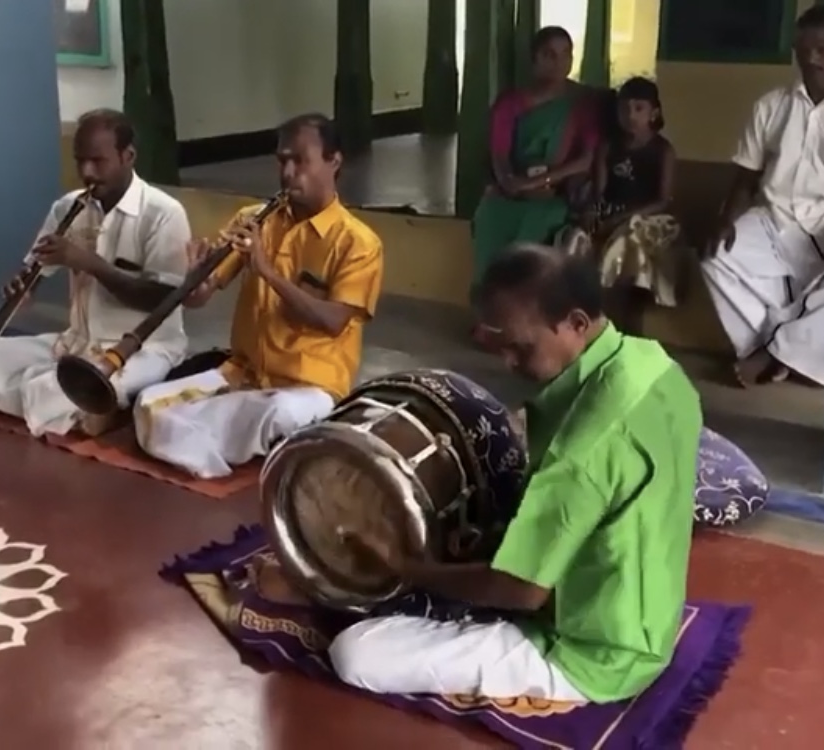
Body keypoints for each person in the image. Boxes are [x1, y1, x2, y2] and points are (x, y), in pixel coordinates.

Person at [254, 245, 700, 703]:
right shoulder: (656, 366)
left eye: (520, 347)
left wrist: (407, 568)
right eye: (498, 343)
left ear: (577, 324)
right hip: (648, 611)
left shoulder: (582, 449)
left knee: (357, 655)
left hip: (594, 652)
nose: (508, 363)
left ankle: (361, 593)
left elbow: (522, 591)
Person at [132, 113, 384, 479]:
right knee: (148, 406)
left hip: (309, 387)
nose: (288, 173)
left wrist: (267, 271)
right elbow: (200, 298)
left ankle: (217, 439)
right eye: (282, 160)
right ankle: (233, 450)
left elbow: (333, 321)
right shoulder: (253, 219)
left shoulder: (358, 243)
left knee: (278, 414)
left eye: (301, 161)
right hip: (245, 374)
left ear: (334, 162)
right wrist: (194, 279)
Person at [0, 109, 191, 437]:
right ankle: (96, 409)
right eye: (80, 161)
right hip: (77, 342)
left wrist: (88, 262)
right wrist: (24, 288)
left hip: (142, 349)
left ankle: (96, 404)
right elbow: (37, 270)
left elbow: (163, 300)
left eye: (98, 161)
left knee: (48, 391)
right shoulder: (67, 207)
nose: (87, 172)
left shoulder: (163, 214)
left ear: (128, 156)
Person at [701, 6, 824, 388]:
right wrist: (725, 218)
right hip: (772, 218)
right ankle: (776, 348)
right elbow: (746, 177)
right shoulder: (770, 106)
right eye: (803, 50)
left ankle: (774, 353)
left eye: (822, 49)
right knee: (714, 256)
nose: (811, 59)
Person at [471, 26, 599, 288]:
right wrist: (509, 182)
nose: (559, 62)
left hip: (554, 197)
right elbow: (499, 155)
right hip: (511, 194)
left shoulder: (582, 103)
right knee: (488, 216)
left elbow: (586, 160)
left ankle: (528, 318)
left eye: (566, 54)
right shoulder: (510, 103)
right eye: (549, 55)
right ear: (534, 60)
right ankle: (491, 318)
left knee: (540, 232)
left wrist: (538, 183)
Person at [556, 76, 682, 334]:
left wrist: (622, 219)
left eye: (639, 109)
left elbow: (663, 200)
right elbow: (600, 191)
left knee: (629, 241)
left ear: (653, 113)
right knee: (575, 238)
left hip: (648, 218)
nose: (630, 115)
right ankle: (579, 320)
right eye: (625, 108)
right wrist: (593, 210)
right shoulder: (608, 146)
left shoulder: (663, 150)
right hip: (612, 211)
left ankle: (630, 325)